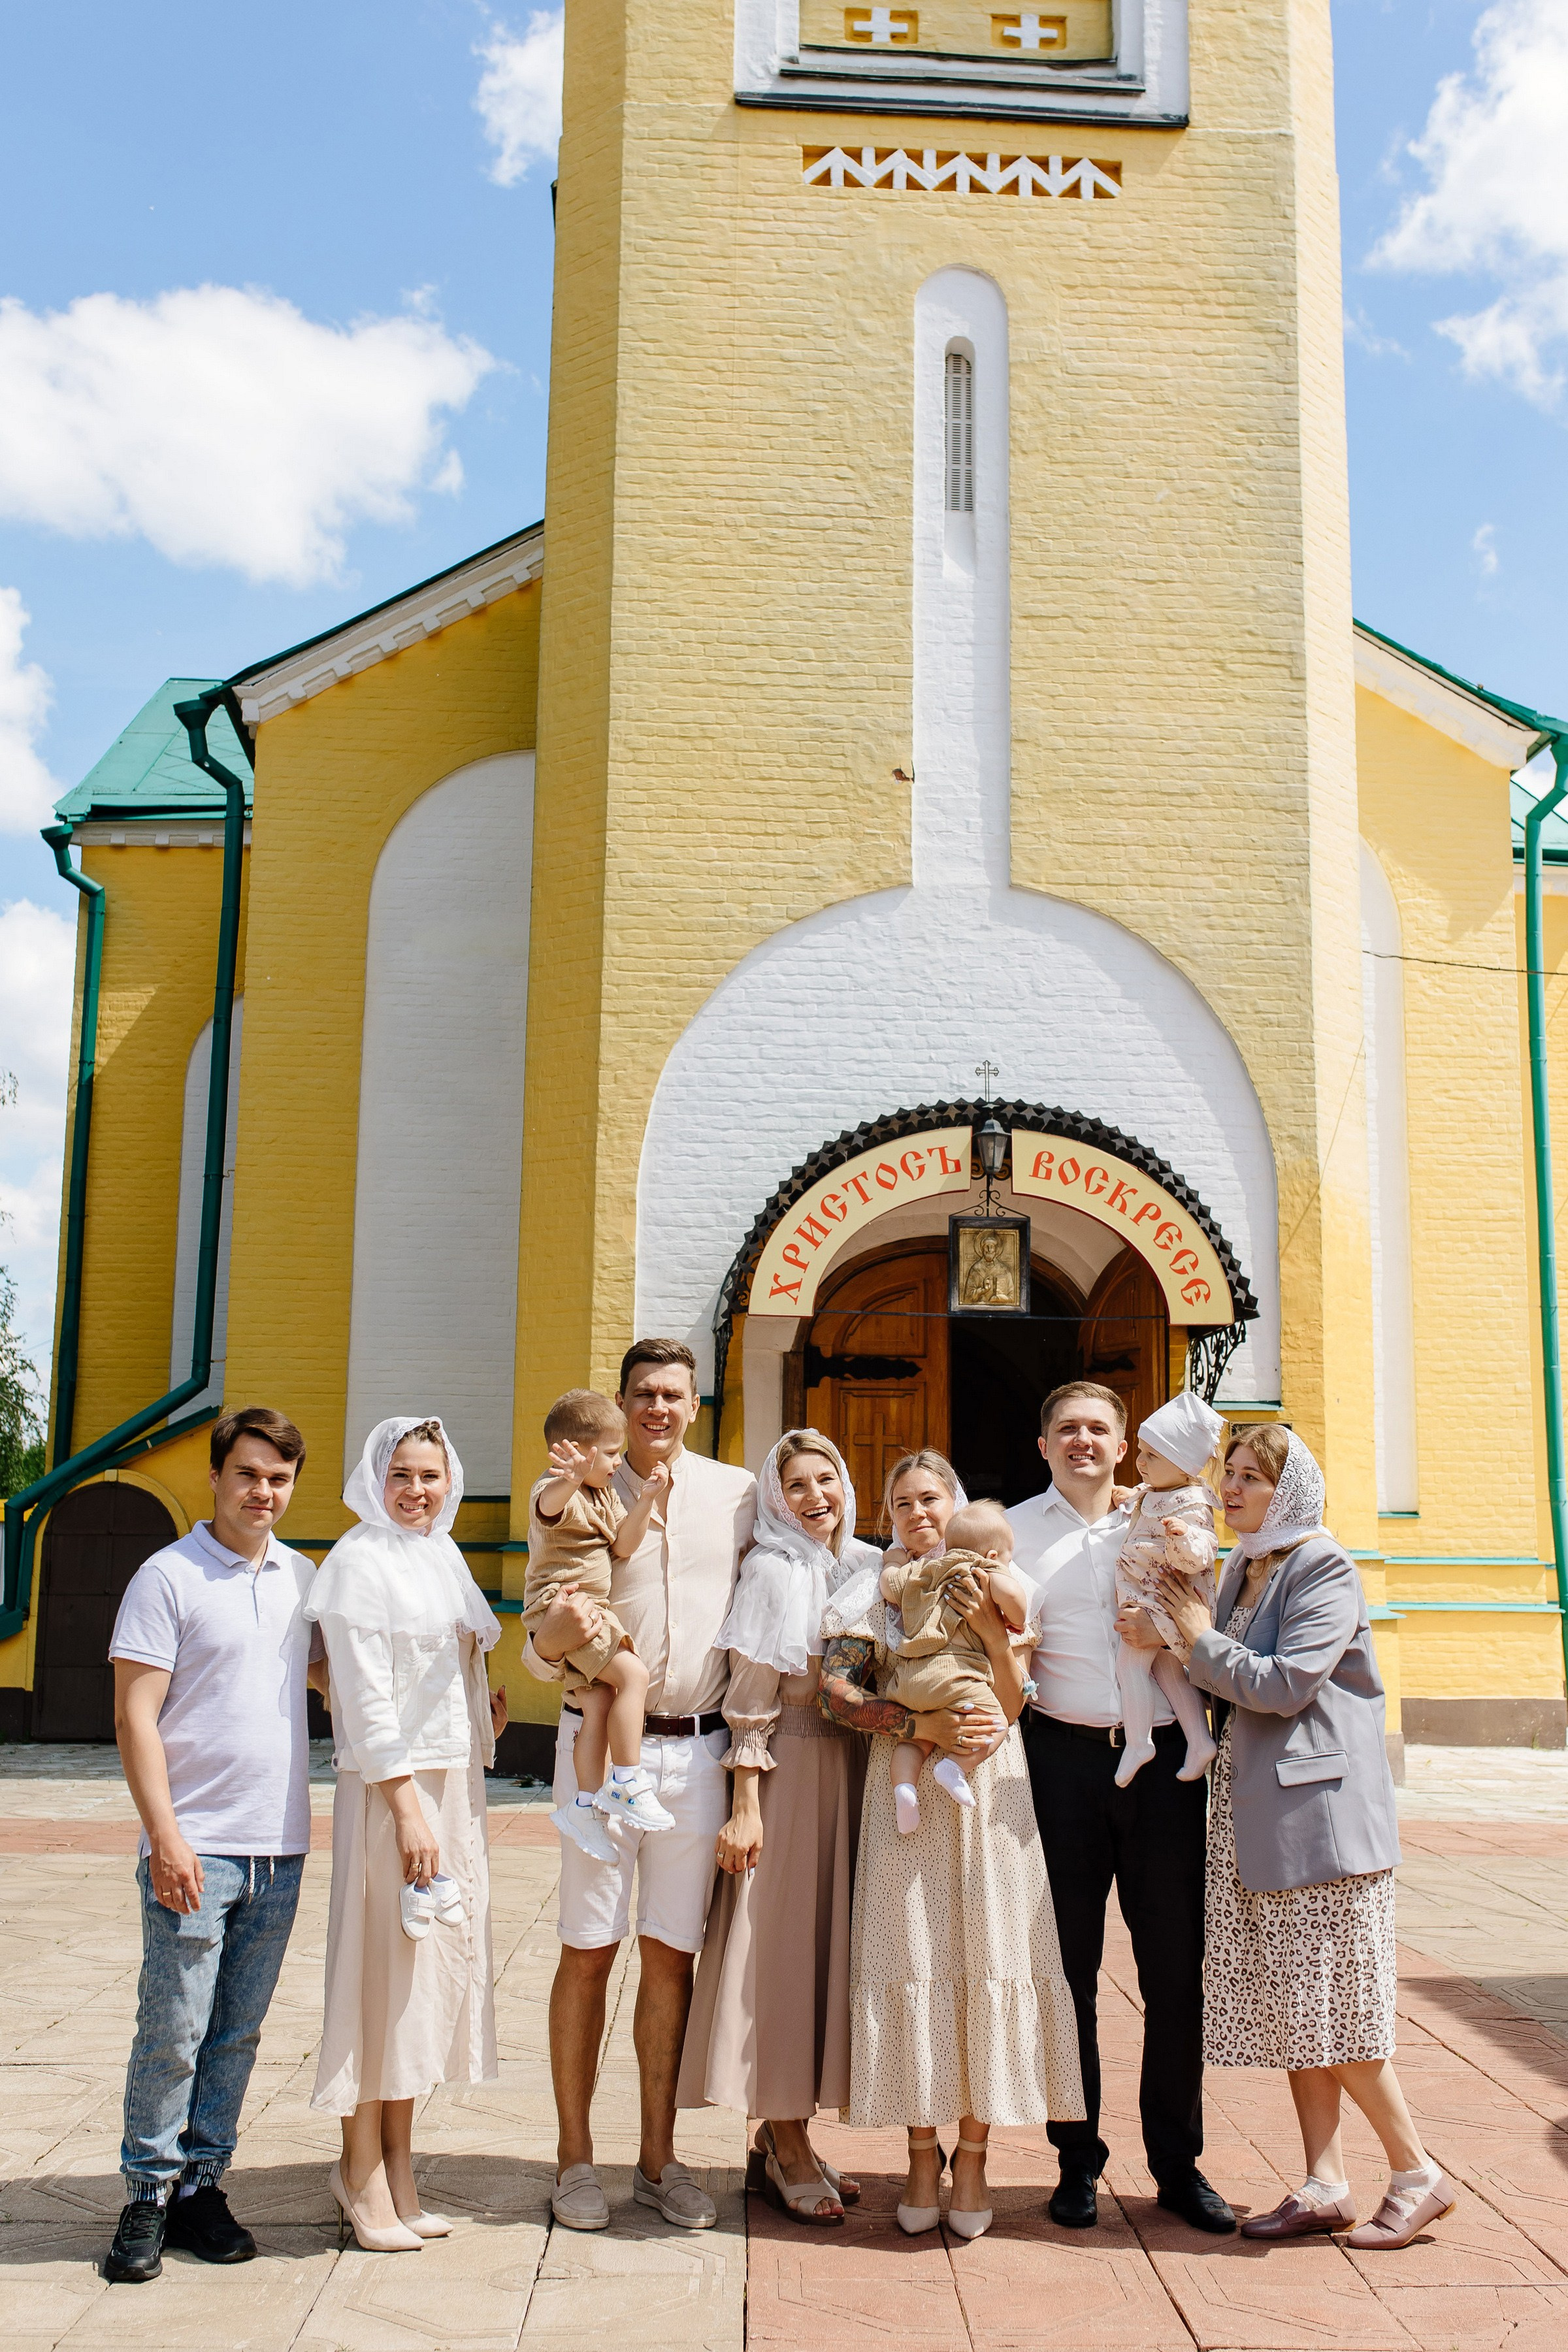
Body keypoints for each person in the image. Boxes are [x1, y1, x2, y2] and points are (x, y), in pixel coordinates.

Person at [1147, 1424, 1451, 2251]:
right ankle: (1325, 2183)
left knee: (1334, 2014)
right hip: (1258, 1820)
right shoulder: (1245, 1567)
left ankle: (1417, 2173)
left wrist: (1193, 1635)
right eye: (1229, 1475)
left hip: (1319, 1829)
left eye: (1251, 1479)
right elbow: (1222, 1676)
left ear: (1291, 1493)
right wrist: (1181, 1634)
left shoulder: (1324, 1566)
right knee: (1295, 2010)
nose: (1230, 1490)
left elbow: (1281, 1686)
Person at [821, 1448, 1083, 2244]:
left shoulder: (994, 1580)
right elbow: (839, 1695)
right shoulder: (874, 1590)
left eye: (930, 1499)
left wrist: (992, 1647)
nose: (917, 1515)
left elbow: (1013, 1696)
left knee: (984, 1953)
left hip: (986, 1786)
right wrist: (913, 1726)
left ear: (955, 1503)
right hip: (904, 1794)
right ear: (888, 1517)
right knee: (915, 1957)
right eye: (902, 1504)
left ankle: (974, 2156)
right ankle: (921, 2155)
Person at [525, 1338, 755, 2236]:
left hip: (696, 1753)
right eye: (643, 1395)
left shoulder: (736, 1495)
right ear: (621, 1405)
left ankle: (659, 2157)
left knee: (670, 1955)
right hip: (597, 1737)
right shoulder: (585, 1490)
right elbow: (543, 1629)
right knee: (588, 1947)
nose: (658, 1408)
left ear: (694, 1404)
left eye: (673, 1394)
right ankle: (574, 2157)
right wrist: (548, 1647)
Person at [1011, 1381, 1235, 2235]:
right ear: (1043, 1445)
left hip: (1169, 1769)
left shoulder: (1171, 1516)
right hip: (1060, 1764)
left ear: (1121, 1442)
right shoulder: (1017, 1533)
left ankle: (1178, 2165)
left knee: (1175, 1972)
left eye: (1099, 1428)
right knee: (1066, 1975)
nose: (1083, 1441)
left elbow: (1218, 1619)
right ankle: (1077, 2161)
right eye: (1065, 1427)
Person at [104, 1405, 315, 2285]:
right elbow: (134, 1714)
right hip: (199, 1845)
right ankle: (147, 2198)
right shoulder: (169, 1576)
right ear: (217, 1478)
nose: (263, 1491)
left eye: (278, 1478)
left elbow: (346, 1684)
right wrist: (166, 1835)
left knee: (236, 2034)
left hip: (282, 1847)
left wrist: (461, 1709)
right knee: (175, 2030)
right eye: (249, 1474)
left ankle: (203, 2185)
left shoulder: (307, 1577)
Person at [306, 1416, 508, 2251]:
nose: (418, 1492)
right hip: (394, 1792)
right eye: (402, 1476)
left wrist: (480, 1720)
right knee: (380, 1977)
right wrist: (407, 1806)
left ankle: (399, 2163)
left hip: (449, 1785)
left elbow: (454, 1669)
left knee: (424, 1978)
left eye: (431, 1475)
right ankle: (357, 2168)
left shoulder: (443, 1555)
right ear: (373, 1479)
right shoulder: (359, 1561)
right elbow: (361, 1693)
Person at [676, 1429, 877, 2223]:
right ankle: (783, 2136)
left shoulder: (859, 1565)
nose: (815, 1497)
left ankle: (789, 2136)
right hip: (789, 1771)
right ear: (773, 1497)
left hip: (851, 1768)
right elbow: (751, 1695)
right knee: (784, 1954)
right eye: (796, 1486)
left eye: (826, 1479)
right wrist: (748, 1804)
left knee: (832, 1948)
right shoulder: (771, 1570)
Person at [524, 1388, 676, 1859]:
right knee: (634, 1674)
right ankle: (627, 1779)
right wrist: (567, 1478)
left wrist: (647, 1499)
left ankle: (585, 1806)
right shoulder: (558, 1488)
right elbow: (550, 1508)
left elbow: (624, 1546)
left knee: (600, 1701)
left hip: (589, 1609)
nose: (617, 1461)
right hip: (570, 1606)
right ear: (580, 1453)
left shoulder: (603, 1493)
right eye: (610, 1453)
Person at [879, 1497, 1032, 1829]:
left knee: (912, 1743)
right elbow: (1017, 1604)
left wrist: (891, 1562)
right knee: (995, 1724)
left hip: (910, 1683)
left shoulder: (925, 1572)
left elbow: (891, 1586)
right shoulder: (985, 1572)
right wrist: (1013, 1611)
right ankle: (955, 1765)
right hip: (957, 1681)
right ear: (993, 1556)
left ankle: (904, 1788)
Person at [1111, 1390, 1222, 1788]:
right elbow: (1142, 1500)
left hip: (1160, 1601)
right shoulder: (1156, 1492)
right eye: (1141, 1452)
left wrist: (1183, 1536)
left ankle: (1138, 1742)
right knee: (1169, 1671)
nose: (1140, 1462)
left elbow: (1202, 1555)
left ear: (1182, 1464)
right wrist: (1129, 1495)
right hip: (1150, 1597)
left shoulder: (1192, 1505)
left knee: (1130, 1666)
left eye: (1152, 1457)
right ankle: (1199, 1740)